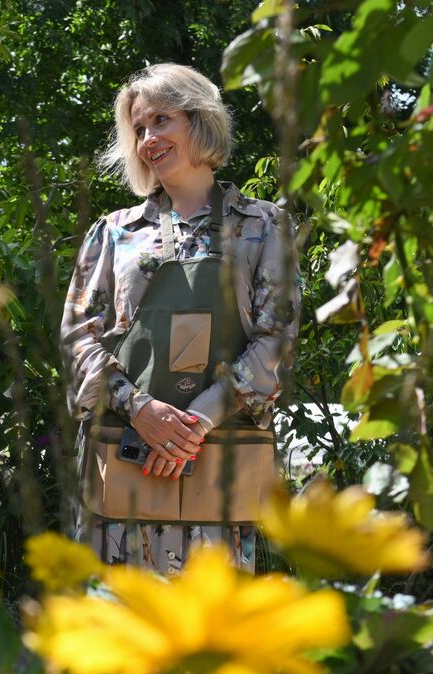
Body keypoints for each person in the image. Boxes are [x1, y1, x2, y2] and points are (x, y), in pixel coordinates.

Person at [61, 63, 300, 573]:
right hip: (124, 466)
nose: (148, 139)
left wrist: (196, 423)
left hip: (218, 468)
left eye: (160, 120)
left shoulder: (264, 225)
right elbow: (79, 339)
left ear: (200, 120)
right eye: (139, 129)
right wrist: (141, 410)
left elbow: (276, 339)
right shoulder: (113, 233)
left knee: (210, 636)